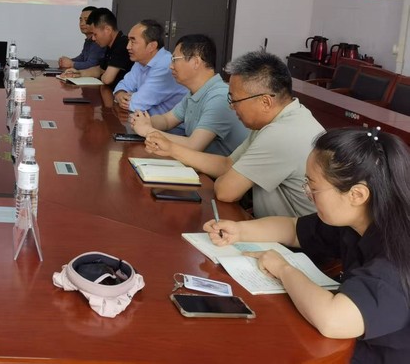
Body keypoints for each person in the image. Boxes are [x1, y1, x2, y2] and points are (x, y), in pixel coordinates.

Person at [204, 128, 410, 362]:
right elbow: (293, 229)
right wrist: (239, 231)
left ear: (357, 195)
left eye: (313, 187)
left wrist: (283, 269)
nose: (308, 194)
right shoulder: (359, 220)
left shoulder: (396, 255)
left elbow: (333, 320)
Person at [146, 51, 322, 218]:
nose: (231, 106)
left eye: (235, 100)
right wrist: (172, 149)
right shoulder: (287, 116)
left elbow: (226, 191)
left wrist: (226, 178)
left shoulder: (281, 133)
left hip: (297, 237)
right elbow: (227, 164)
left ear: (265, 102)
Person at [130, 34, 247, 156]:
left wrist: (148, 131)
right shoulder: (194, 93)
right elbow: (166, 120)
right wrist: (144, 121)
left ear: (196, 62)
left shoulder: (219, 96)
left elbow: (194, 145)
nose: (170, 66)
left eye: (175, 59)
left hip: (223, 168)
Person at [111, 20, 187, 114]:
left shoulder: (166, 66)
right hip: (144, 119)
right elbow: (123, 85)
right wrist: (120, 93)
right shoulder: (140, 61)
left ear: (152, 46)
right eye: (128, 41)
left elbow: (137, 104)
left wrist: (130, 97)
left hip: (165, 123)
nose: (128, 47)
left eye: (133, 41)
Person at [61, 8, 132, 89]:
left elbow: (107, 79)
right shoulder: (109, 45)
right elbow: (99, 70)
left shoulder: (122, 44)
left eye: (95, 34)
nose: (93, 39)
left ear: (107, 30)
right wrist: (78, 73)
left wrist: (102, 74)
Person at [58, 6, 104, 70]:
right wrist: (67, 61)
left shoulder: (98, 41)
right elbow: (82, 57)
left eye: (86, 20)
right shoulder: (88, 40)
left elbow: (91, 64)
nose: (82, 24)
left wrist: (71, 63)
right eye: (81, 20)